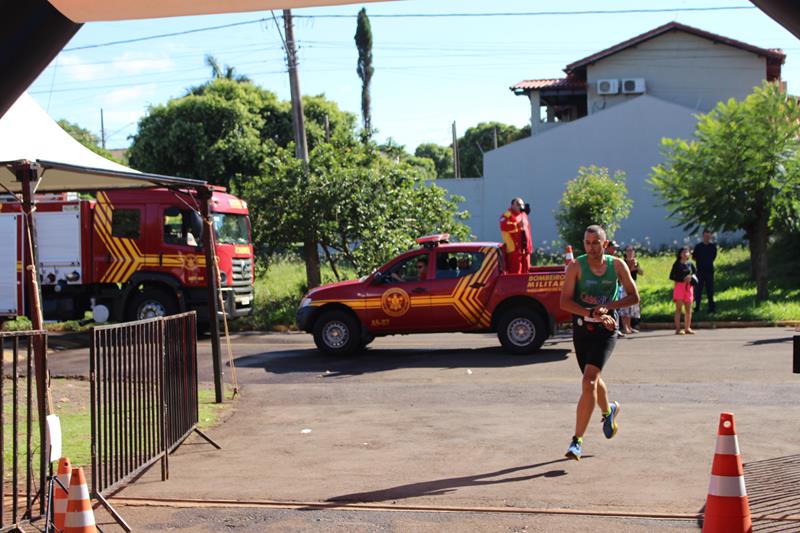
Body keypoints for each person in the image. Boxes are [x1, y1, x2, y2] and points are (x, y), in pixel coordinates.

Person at [559, 225, 639, 461]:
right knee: (592, 379)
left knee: (588, 380)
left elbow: (634, 297)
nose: (591, 247)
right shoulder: (576, 267)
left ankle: (577, 441)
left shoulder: (616, 265)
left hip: (606, 328)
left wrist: (609, 308)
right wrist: (589, 312)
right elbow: (564, 302)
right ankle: (609, 411)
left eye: (596, 242)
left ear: (605, 244)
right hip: (583, 328)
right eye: (587, 242)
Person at [499, 197, 532, 274]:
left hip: (525, 250)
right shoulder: (506, 215)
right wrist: (517, 225)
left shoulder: (523, 215)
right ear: (512, 205)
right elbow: (504, 226)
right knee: (515, 273)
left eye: (522, 205)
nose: (521, 207)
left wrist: (529, 248)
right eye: (518, 204)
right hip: (514, 251)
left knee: (526, 272)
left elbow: (528, 232)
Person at [669, 246, 696, 335]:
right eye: (683, 252)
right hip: (679, 287)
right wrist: (682, 279)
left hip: (689, 287)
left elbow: (695, 274)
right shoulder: (676, 264)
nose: (685, 254)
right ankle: (677, 328)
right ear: (680, 254)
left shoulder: (691, 264)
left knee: (688, 308)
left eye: (687, 252)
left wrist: (691, 278)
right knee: (678, 308)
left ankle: (687, 327)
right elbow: (672, 276)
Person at [618, 245, 643, 335]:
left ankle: (629, 326)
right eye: (628, 250)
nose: (630, 252)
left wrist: (637, 268)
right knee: (625, 306)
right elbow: (622, 273)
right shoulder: (623, 262)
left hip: (633, 284)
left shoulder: (636, 261)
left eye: (632, 250)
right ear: (625, 252)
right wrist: (630, 268)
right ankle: (625, 327)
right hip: (624, 285)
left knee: (631, 307)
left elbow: (641, 273)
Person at [692, 229, 717, 313]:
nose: (707, 237)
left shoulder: (712, 247)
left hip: (709, 271)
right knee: (698, 290)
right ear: (703, 236)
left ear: (710, 237)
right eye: (705, 236)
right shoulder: (698, 247)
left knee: (710, 290)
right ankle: (697, 307)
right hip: (700, 271)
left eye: (708, 236)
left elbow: (713, 257)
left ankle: (711, 308)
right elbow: (694, 256)